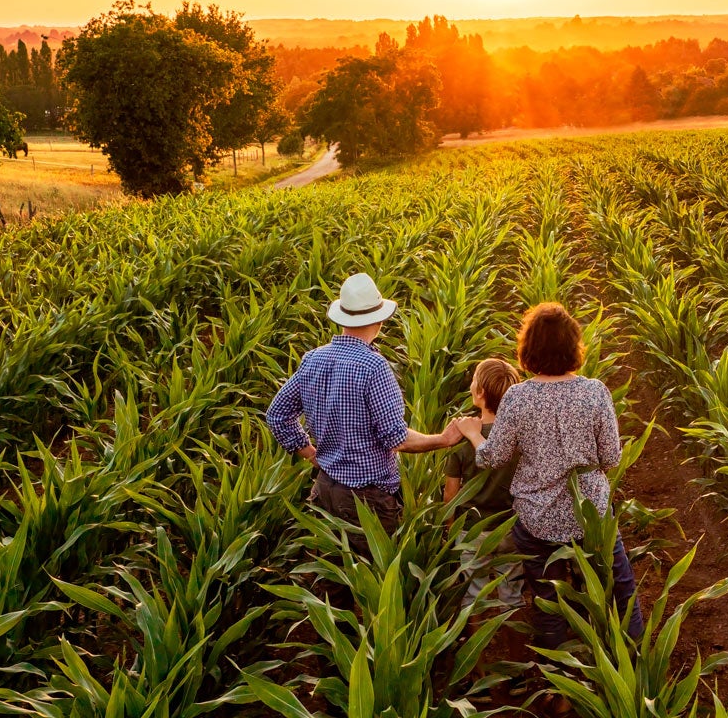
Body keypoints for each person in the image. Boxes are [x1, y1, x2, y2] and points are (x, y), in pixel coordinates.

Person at [457, 302, 645, 651]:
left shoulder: (517, 397)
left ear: (528, 350)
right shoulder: (595, 392)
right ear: (574, 346)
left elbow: (493, 458)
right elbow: (612, 457)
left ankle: (556, 689)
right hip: (591, 516)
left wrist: (472, 435)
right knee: (620, 588)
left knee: (547, 601)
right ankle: (632, 664)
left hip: (537, 521)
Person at [266, 272, 463, 549]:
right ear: (378, 320)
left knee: (330, 580)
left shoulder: (313, 359)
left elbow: (277, 414)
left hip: (324, 488)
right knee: (369, 580)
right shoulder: (374, 367)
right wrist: (442, 439)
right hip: (366, 501)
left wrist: (309, 453)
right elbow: (397, 438)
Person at [444, 358, 524, 612]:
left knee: (472, 596)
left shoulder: (461, 439)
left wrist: (450, 529)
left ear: (479, 393)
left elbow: (451, 493)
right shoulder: (519, 436)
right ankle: (517, 651)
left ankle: (475, 650)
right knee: (511, 594)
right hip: (511, 527)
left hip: (472, 530)